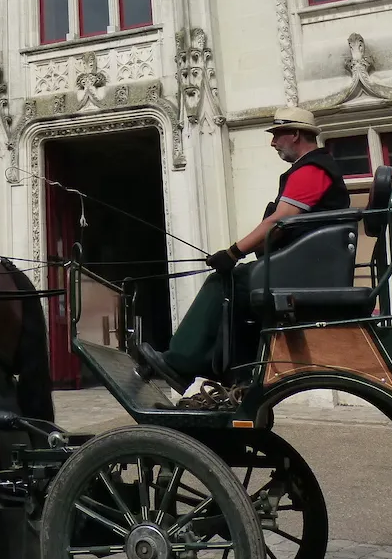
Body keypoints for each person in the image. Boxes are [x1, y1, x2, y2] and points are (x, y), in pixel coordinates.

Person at [138, 107, 351, 393]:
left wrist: (233, 253)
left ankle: (181, 362)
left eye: (277, 135)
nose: (273, 143)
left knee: (224, 282)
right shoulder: (315, 168)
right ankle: (234, 372)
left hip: (305, 272)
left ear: (296, 134)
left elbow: (279, 221)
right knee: (238, 289)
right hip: (306, 265)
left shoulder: (312, 170)